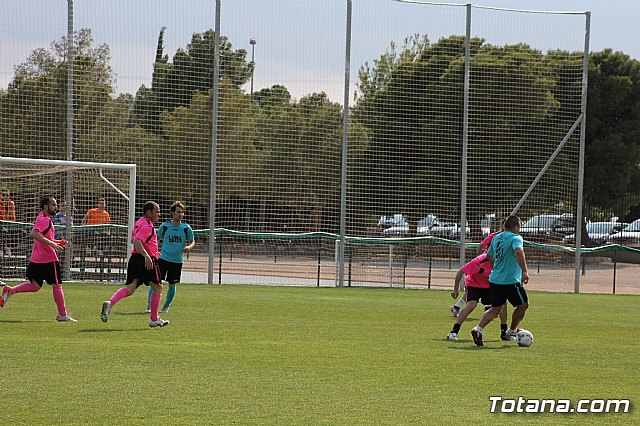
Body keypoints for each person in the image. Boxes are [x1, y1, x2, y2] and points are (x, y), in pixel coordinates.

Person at [0, 196, 76, 322]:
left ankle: (10, 291)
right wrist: (53, 245)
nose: (55, 207)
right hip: (48, 259)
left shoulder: (42, 217)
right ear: (46, 207)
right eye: (53, 205)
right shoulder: (45, 219)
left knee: (35, 286)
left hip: (36, 259)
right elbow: (34, 234)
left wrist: (57, 242)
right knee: (57, 285)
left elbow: (43, 237)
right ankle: (62, 314)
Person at [100, 201, 168, 328]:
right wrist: (147, 256)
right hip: (145, 260)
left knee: (130, 288)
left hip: (135, 259)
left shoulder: (139, 222)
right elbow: (137, 241)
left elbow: (135, 239)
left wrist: (152, 250)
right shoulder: (147, 225)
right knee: (158, 288)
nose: (159, 214)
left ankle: (110, 303)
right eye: (157, 211)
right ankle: (154, 319)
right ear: (149, 212)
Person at [471, 215, 530, 346]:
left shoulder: (497, 237)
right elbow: (519, 252)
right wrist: (525, 271)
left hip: (495, 279)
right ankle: (512, 331)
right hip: (510, 280)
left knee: (495, 309)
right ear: (516, 227)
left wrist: (496, 268)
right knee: (523, 305)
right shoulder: (516, 238)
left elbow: (489, 255)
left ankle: (478, 328)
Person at [145, 201, 195, 314]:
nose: (181, 214)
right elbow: (156, 239)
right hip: (163, 258)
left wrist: (189, 247)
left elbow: (192, 241)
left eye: (182, 212)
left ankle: (166, 306)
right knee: (156, 283)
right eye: (178, 212)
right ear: (173, 213)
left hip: (177, 261)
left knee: (172, 284)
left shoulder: (186, 228)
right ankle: (149, 306)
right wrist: (154, 251)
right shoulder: (165, 226)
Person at [447, 253, 509, 341]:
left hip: (489, 286)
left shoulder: (502, 263)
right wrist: (455, 289)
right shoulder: (478, 262)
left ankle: (504, 332)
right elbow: (461, 271)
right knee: (471, 305)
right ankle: (453, 332)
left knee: (503, 303)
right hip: (474, 284)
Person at [450, 227, 502, 317]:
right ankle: (456, 324)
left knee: (490, 288)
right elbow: (482, 245)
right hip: (478, 274)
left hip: (487, 279)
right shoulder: (493, 237)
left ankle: (458, 306)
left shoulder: (501, 258)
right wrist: (478, 257)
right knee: (472, 299)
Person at [0, 188, 17, 257]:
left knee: (22, 232)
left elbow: (13, 218)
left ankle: (8, 247)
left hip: (9, 225)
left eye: (7, 195)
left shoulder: (11, 204)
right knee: (4, 231)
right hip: (1, 225)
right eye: (3, 195)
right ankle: (1, 249)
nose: (5, 197)